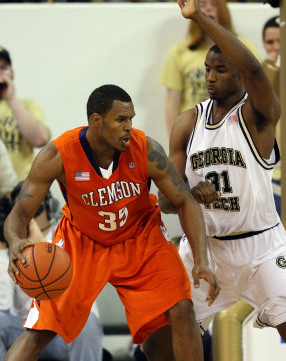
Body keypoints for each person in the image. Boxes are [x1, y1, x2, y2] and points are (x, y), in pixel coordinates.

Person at [3, 84, 220, 361]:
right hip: (83, 242)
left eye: (131, 119)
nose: (129, 126)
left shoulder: (146, 148)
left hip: (140, 238)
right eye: (121, 120)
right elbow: (19, 213)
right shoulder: (58, 155)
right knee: (39, 330)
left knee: (181, 310)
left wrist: (200, 259)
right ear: (96, 120)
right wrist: (15, 240)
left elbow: (184, 201)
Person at [159, 0, 286, 341]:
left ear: (240, 76)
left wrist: (199, 17)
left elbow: (256, 69)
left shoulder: (257, 116)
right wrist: (190, 192)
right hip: (206, 248)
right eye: (207, 71)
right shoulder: (188, 123)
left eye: (221, 70)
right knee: (167, 334)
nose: (210, 78)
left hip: (259, 247)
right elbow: (166, 199)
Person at [0, 187, 103, 361]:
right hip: (24, 331)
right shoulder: (11, 247)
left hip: (63, 333)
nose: (28, 216)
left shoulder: (67, 234)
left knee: (88, 322)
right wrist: (5, 249)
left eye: (35, 208)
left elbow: (69, 291)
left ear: (49, 207)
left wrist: (36, 238)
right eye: (22, 210)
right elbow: (4, 306)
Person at [160, 0, 259, 134]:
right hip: (196, 131)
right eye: (202, 4)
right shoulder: (180, 52)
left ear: (222, 11)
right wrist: (175, 139)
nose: (208, 8)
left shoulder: (243, 48)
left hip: (236, 129)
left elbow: (258, 90)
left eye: (213, 4)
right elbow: (172, 102)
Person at [0, 47, 51, 180]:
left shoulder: (28, 105)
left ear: (11, 73)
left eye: (3, 68)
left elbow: (40, 140)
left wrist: (11, 99)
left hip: (23, 190)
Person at [262, 16, 280, 215]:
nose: (276, 47)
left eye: (281, 41)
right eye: (270, 42)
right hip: (271, 171)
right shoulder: (257, 73)